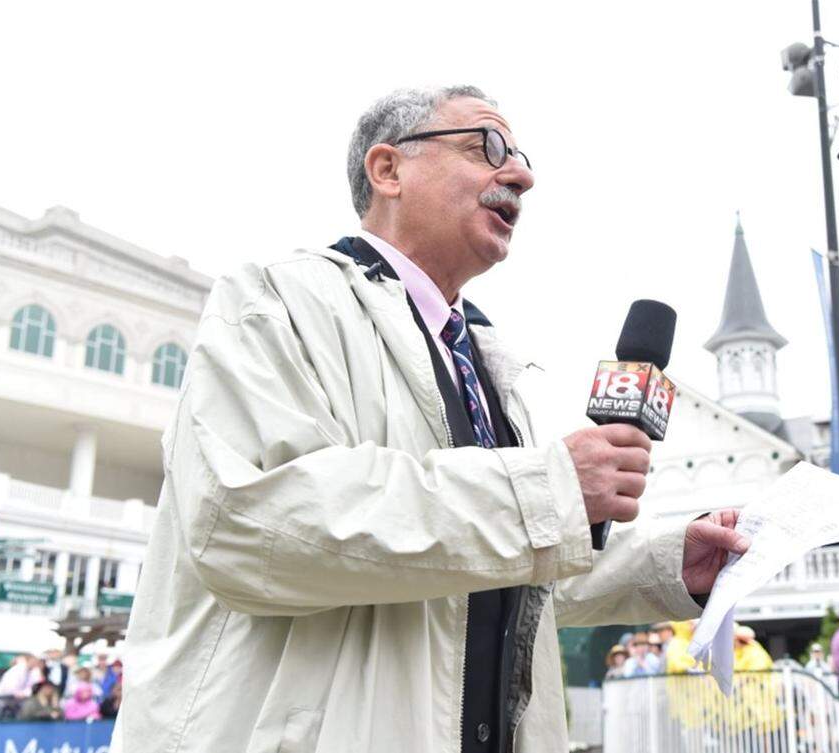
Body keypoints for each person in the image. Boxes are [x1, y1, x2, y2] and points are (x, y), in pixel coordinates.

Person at [113, 85, 751, 753]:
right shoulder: (274, 300)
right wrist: (548, 490)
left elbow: (491, 582)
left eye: (522, 157)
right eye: (488, 146)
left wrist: (666, 564)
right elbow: (249, 522)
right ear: (388, 169)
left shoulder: (488, 364)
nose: (522, 175)